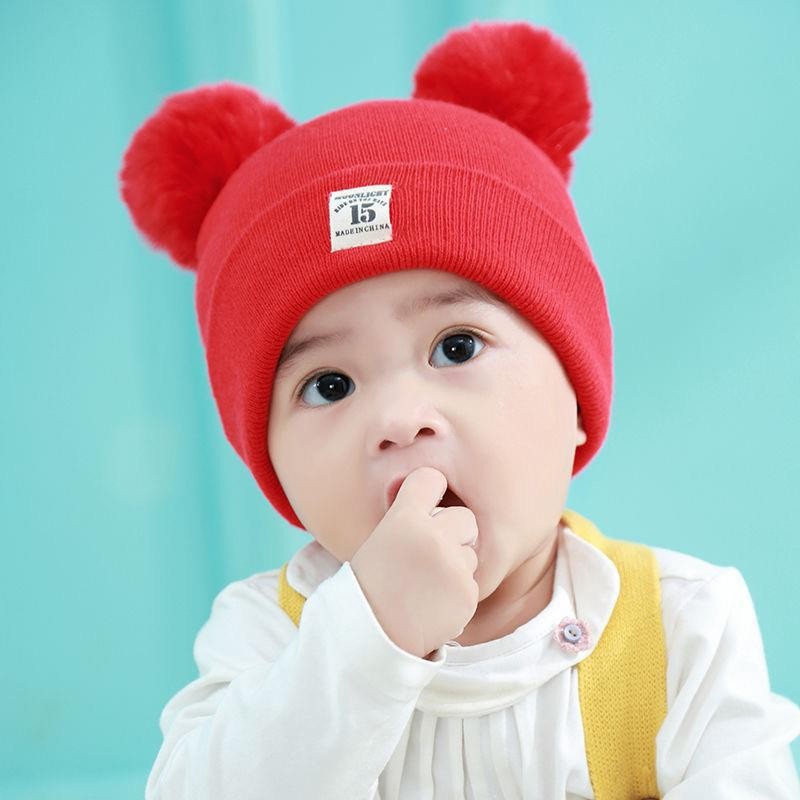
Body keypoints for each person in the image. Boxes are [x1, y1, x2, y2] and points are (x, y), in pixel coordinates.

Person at [118, 19, 800, 800]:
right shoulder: (268, 638)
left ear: (578, 398)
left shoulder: (681, 626)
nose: (400, 419)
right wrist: (370, 635)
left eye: (457, 346)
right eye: (330, 385)